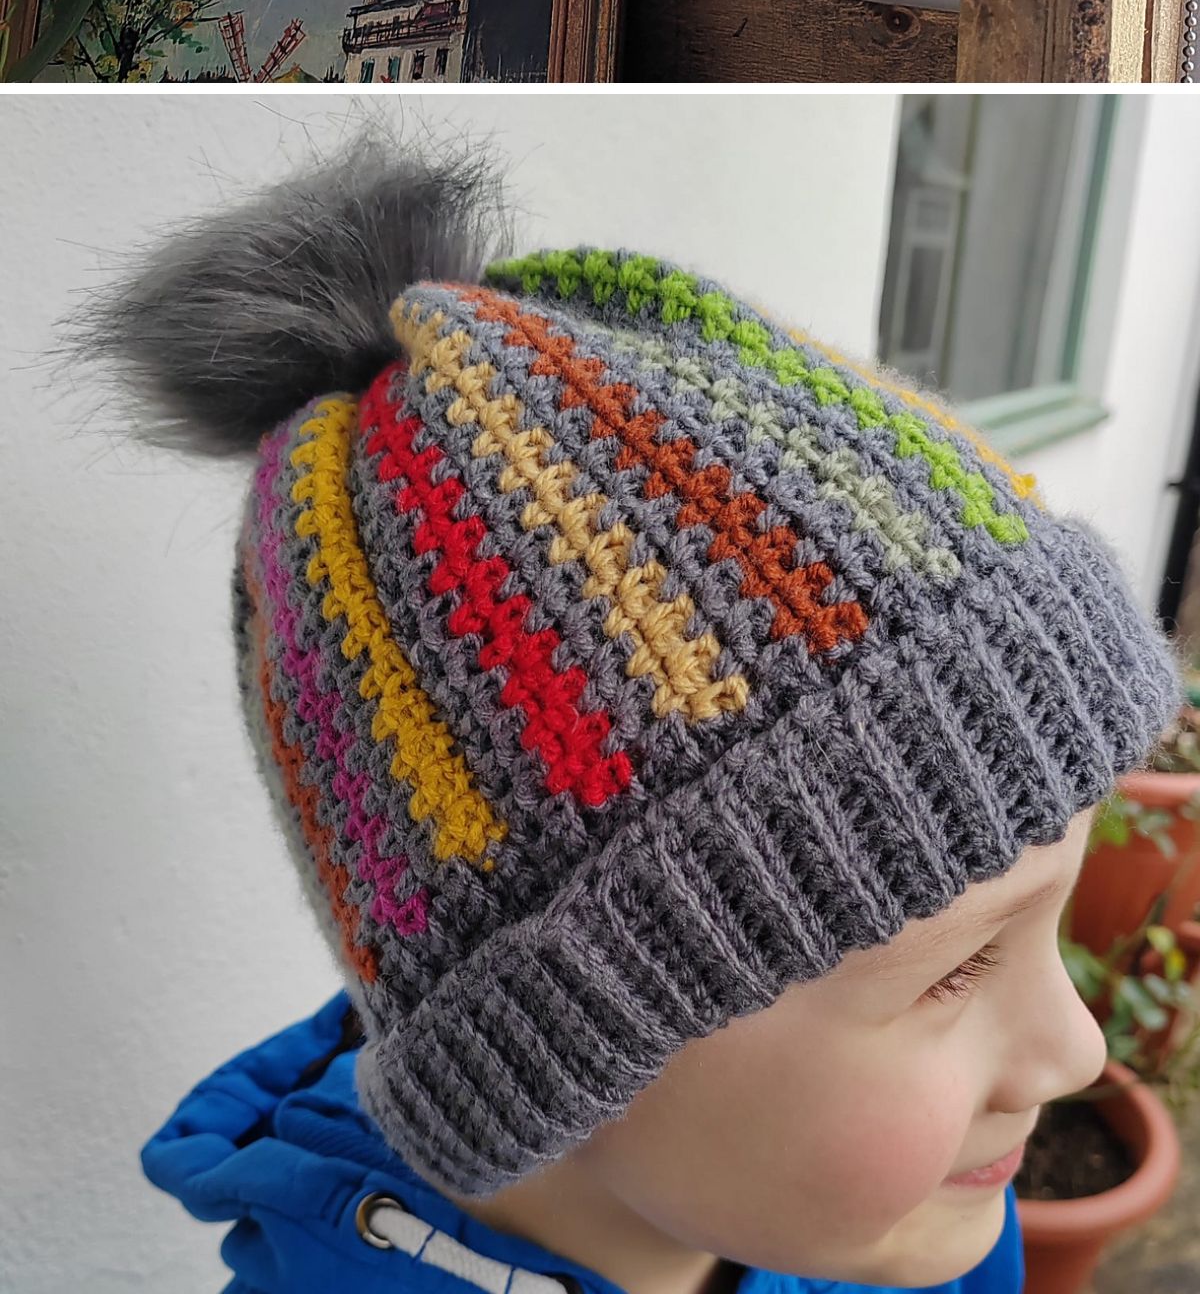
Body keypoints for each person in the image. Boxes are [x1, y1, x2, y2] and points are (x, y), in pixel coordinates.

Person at [76, 140, 1179, 1294]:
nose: (1076, 1048)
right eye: (958, 971)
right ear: (576, 1048)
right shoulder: (875, 1212)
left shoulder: (909, 1232)